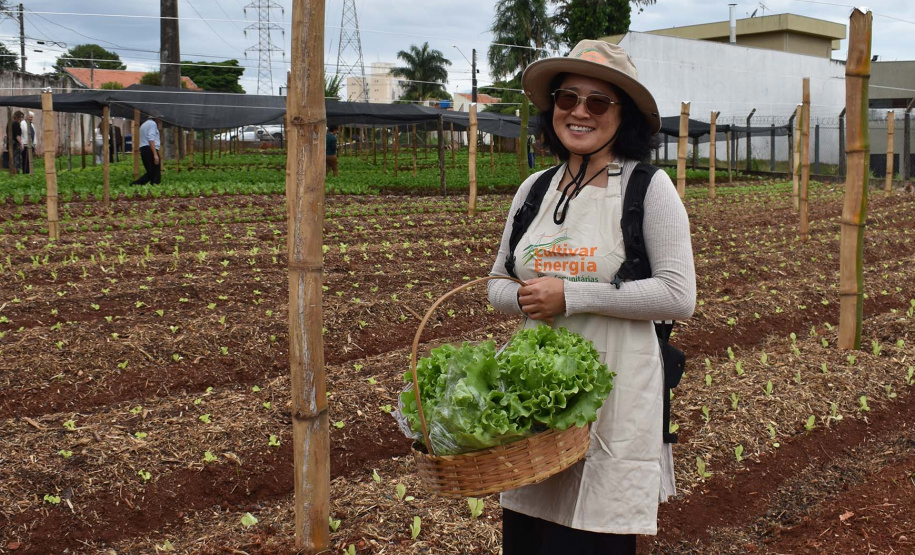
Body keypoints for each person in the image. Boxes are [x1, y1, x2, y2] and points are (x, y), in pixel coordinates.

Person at [487, 40, 696, 555]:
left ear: (622, 116)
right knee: (530, 538)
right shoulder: (535, 189)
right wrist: (527, 298)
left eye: (598, 102)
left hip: (616, 397)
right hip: (536, 402)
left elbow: (677, 296)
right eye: (566, 98)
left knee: (593, 537)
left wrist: (572, 296)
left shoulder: (649, 188)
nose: (579, 112)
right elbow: (496, 282)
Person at [131, 113, 162, 185]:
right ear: (156, 118)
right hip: (150, 149)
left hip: (144, 149)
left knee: (151, 172)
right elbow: (151, 139)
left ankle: (135, 184)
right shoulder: (153, 124)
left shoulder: (144, 125)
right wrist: (155, 154)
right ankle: (136, 184)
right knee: (155, 173)